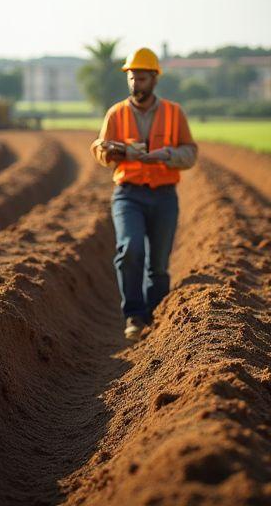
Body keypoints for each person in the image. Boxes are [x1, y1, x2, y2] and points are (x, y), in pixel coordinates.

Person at [90, 47, 198, 340]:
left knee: (159, 266)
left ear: (154, 79)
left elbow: (190, 153)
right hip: (129, 194)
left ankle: (157, 315)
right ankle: (134, 316)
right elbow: (99, 148)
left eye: (141, 78)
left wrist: (167, 155)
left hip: (164, 196)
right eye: (132, 78)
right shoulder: (116, 113)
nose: (135, 84)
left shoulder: (175, 113)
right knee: (130, 249)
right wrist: (111, 150)